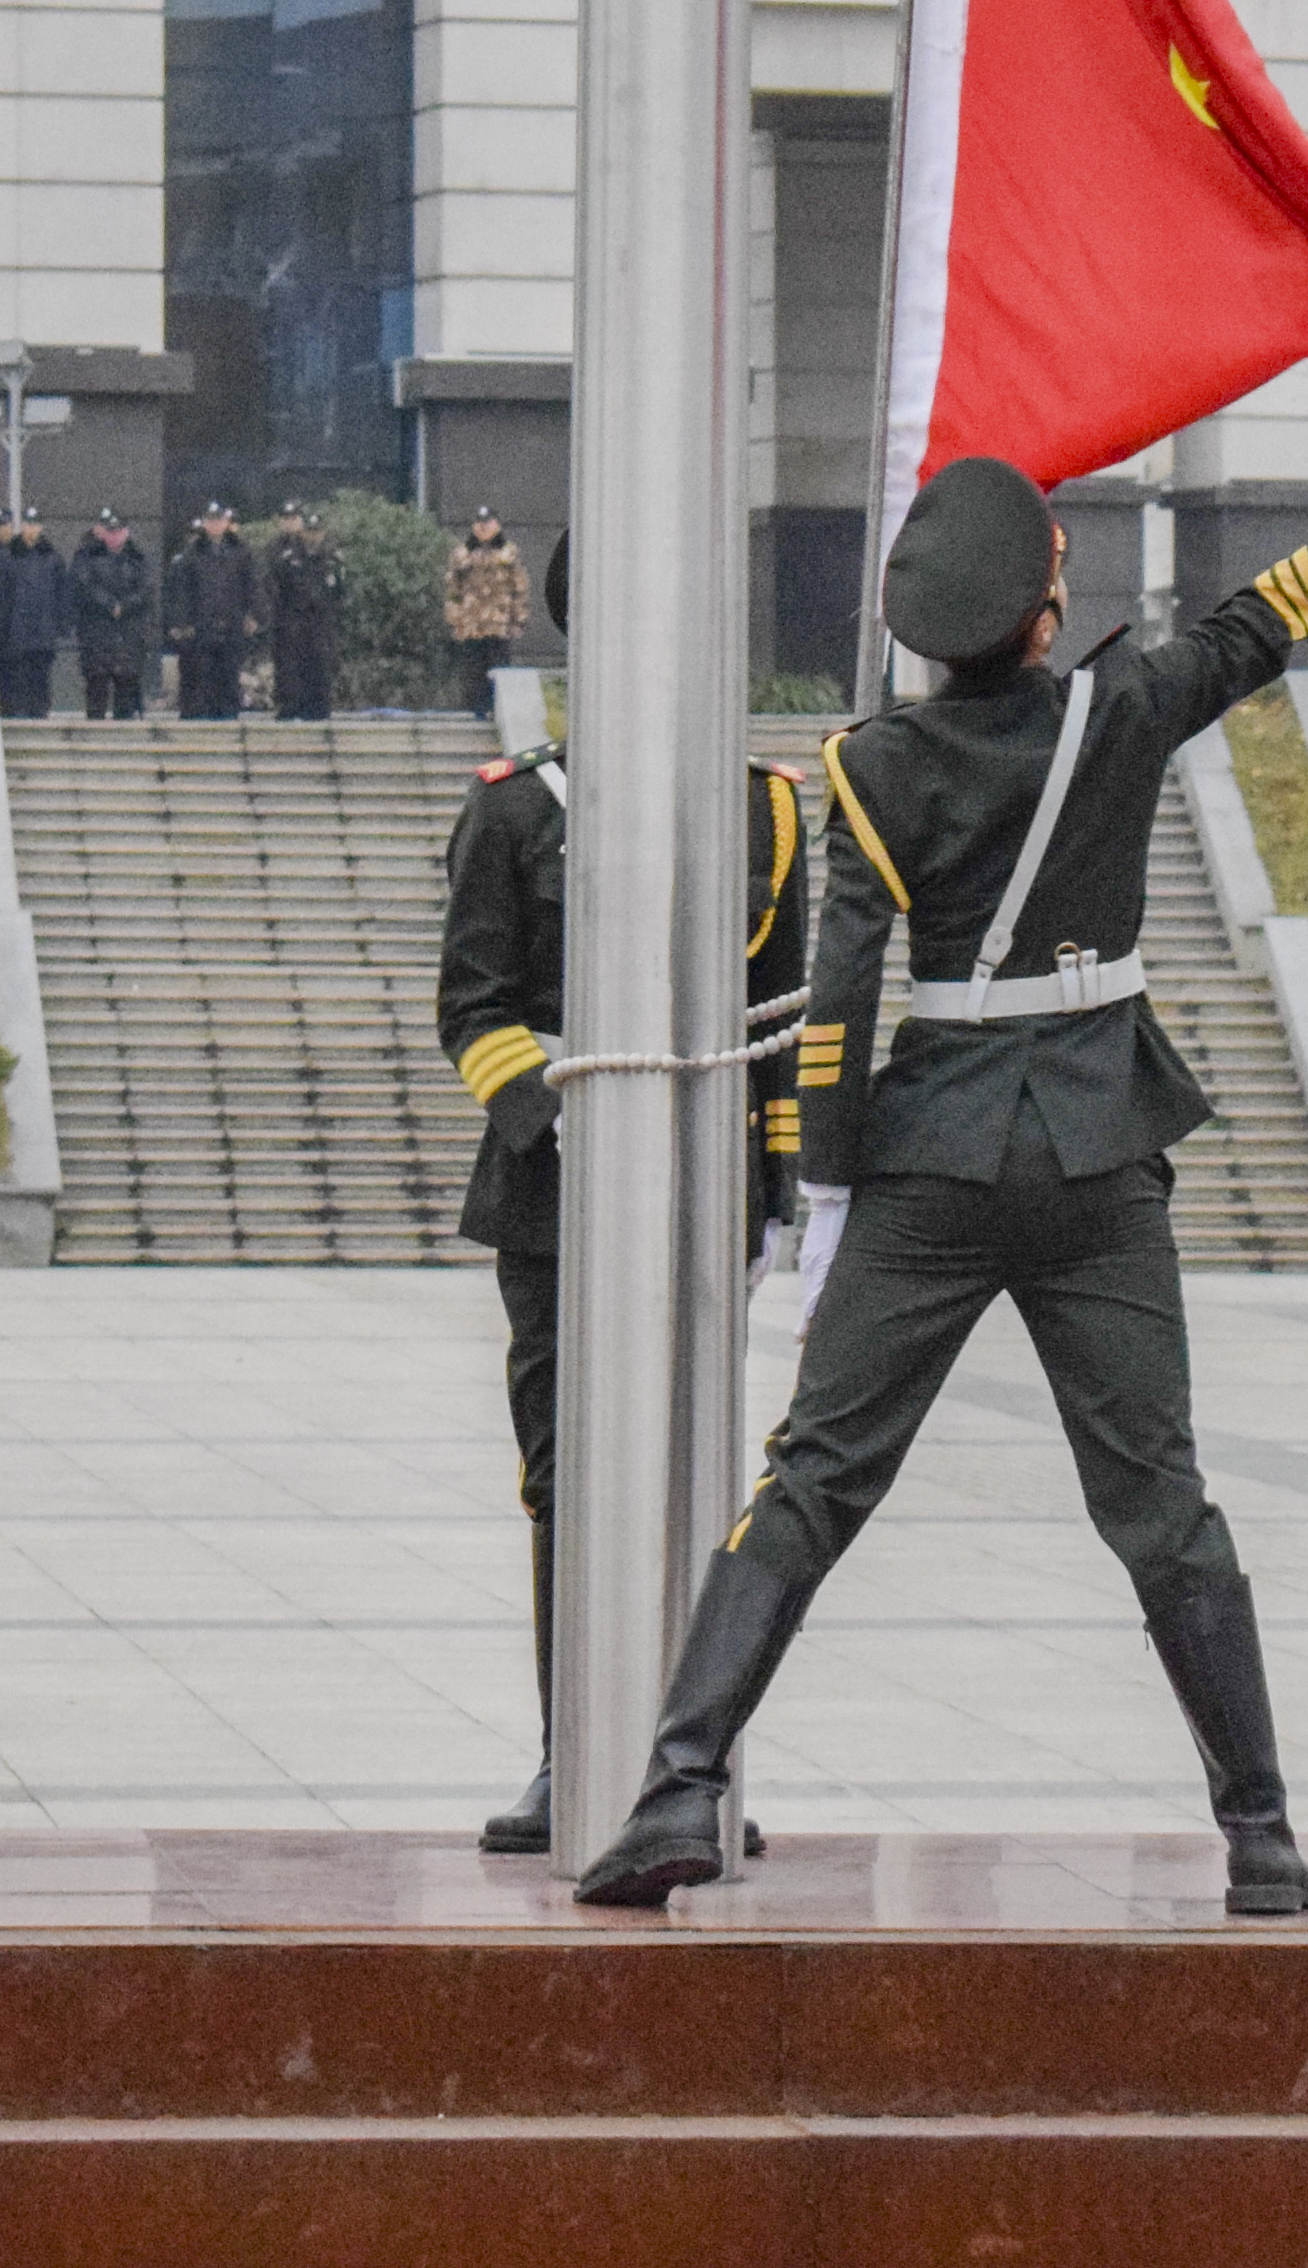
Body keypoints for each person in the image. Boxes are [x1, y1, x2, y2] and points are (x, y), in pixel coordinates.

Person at [569, 333, 1308, 1914]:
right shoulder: (1121, 710)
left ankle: (676, 1787)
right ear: (1046, 616)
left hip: (930, 1159)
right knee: (1158, 1498)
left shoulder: (869, 769)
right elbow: (1294, 598)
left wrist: (824, 1196)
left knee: (814, 1480)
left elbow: (841, 1002)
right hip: (1094, 1150)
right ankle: (1260, 1835)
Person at [440, 530, 808, 1855]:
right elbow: (472, 1008)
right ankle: (575, 1750)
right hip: (554, 1199)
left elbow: (783, 1017)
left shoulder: (761, 811)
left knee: (697, 1478)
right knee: (567, 1477)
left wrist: (780, 1193)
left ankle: (691, 1770)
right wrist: (565, 1125)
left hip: (705, 1185)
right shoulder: (514, 810)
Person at [170, 501, 258, 721]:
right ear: (204, 523)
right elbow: (182, 591)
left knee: (229, 677)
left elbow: (251, 587)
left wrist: (253, 615)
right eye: (210, 521)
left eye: (219, 520)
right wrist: (183, 622)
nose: (215, 525)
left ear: (226, 522)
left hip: (232, 623)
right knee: (203, 678)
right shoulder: (192, 553)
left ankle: (228, 720)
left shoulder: (240, 551)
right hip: (202, 625)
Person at [443, 509, 532, 716]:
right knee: (474, 669)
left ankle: (498, 709)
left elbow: (519, 588)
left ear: (497, 525)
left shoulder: (509, 553)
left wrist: (519, 620)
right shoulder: (461, 554)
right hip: (471, 624)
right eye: (480, 523)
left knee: (499, 668)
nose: (484, 527)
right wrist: (455, 621)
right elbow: (453, 591)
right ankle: (477, 710)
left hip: (499, 623)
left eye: (489, 522)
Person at [68, 508, 153, 717]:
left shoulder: (137, 558)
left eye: (118, 531)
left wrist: (124, 606)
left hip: (128, 637)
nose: (114, 536)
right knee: (96, 692)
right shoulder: (87, 557)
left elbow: (146, 591)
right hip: (96, 635)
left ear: (126, 532)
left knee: (126, 695)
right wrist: (108, 605)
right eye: (110, 531)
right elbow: (83, 587)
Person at [265, 502, 342, 722]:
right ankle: (291, 711)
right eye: (309, 532)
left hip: (320, 625)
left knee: (319, 669)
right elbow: (276, 588)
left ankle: (318, 712)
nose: (313, 537)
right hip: (293, 624)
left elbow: (339, 593)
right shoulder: (288, 558)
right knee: (291, 670)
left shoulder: (332, 560)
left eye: (317, 532)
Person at [0, 512, 67, 720]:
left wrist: (60, 625)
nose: (32, 529)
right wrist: (1, 627)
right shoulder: (8, 556)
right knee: (17, 681)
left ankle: (40, 714)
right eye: (28, 524)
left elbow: (61, 594)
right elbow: (1, 596)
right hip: (16, 633)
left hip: (43, 632)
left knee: (40, 680)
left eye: (35, 524)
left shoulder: (52, 557)